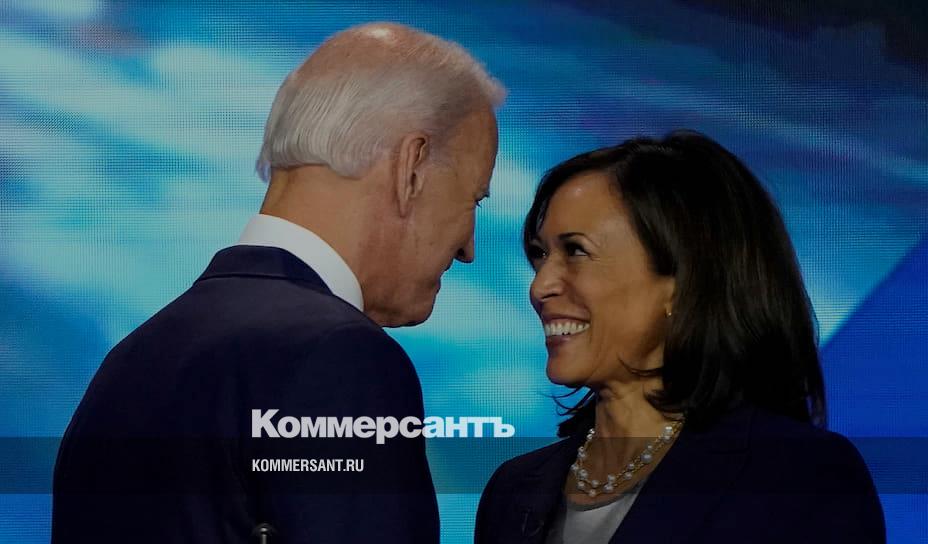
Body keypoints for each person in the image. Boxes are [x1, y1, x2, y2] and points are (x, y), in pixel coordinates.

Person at [52, 22, 503, 543]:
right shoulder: (340, 359)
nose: (469, 247)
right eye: (473, 198)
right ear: (411, 167)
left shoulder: (131, 360)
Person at [475, 132, 885, 543]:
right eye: (540, 254)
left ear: (682, 281)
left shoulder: (799, 476)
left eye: (576, 251)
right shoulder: (512, 491)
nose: (540, 286)